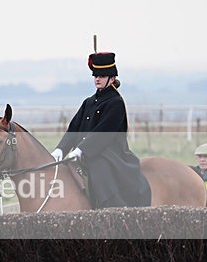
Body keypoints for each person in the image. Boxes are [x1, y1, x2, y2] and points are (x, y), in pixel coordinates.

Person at [51, 51, 151, 208]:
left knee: (98, 167)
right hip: (84, 153)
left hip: (109, 154)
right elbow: (74, 127)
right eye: (95, 75)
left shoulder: (115, 103)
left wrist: (81, 150)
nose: (97, 78)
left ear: (112, 78)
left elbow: (103, 133)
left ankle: (111, 209)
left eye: (102, 75)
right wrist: (60, 149)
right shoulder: (88, 102)